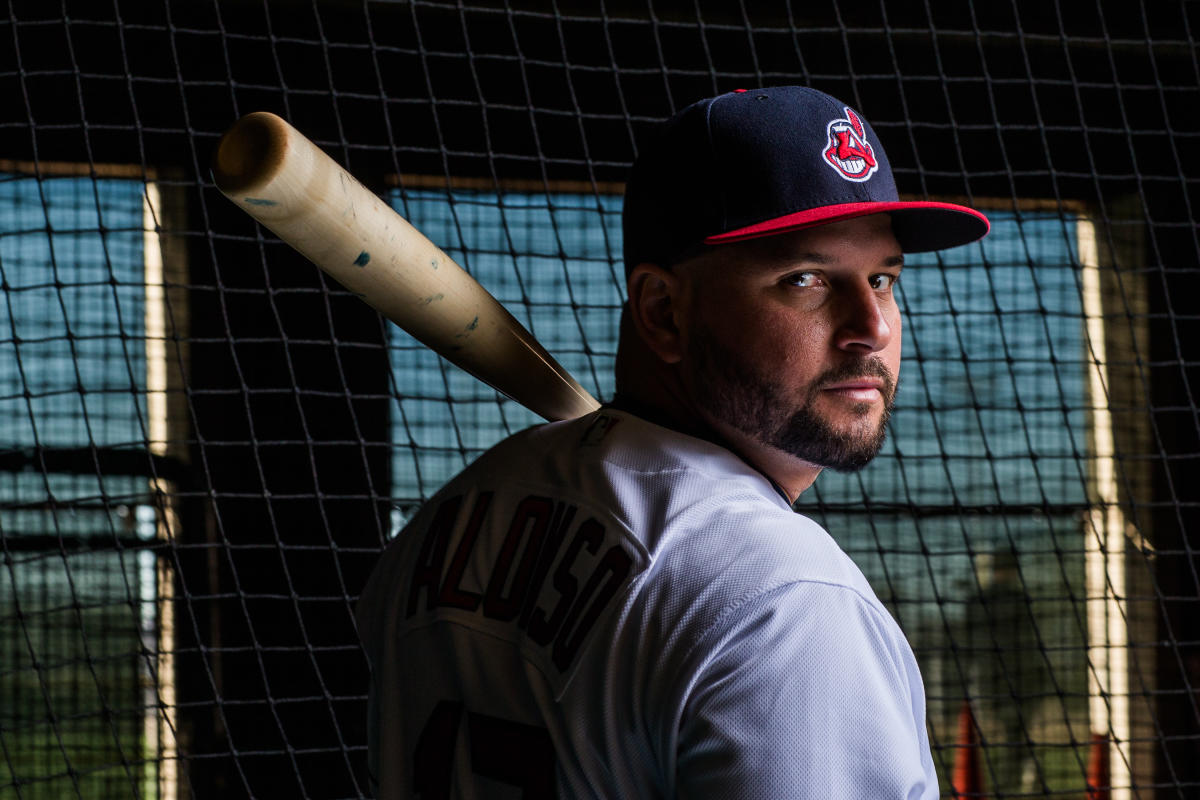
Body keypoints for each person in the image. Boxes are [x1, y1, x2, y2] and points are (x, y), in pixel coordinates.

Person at [356, 85, 990, 798]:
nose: (870, 326)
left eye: (882, 278)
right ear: (662, 312)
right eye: (806, 279)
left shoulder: (452, 517)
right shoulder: (784, 600)